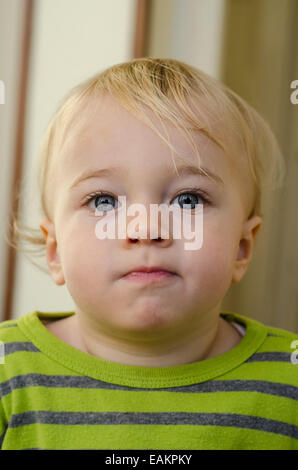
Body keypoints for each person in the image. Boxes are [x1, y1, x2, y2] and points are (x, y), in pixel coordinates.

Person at [1, 58, 297, 450]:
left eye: (188, 199)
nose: (145, 229)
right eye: (104, 201)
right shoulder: (8, 370)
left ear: (242, 247)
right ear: (55, 251)